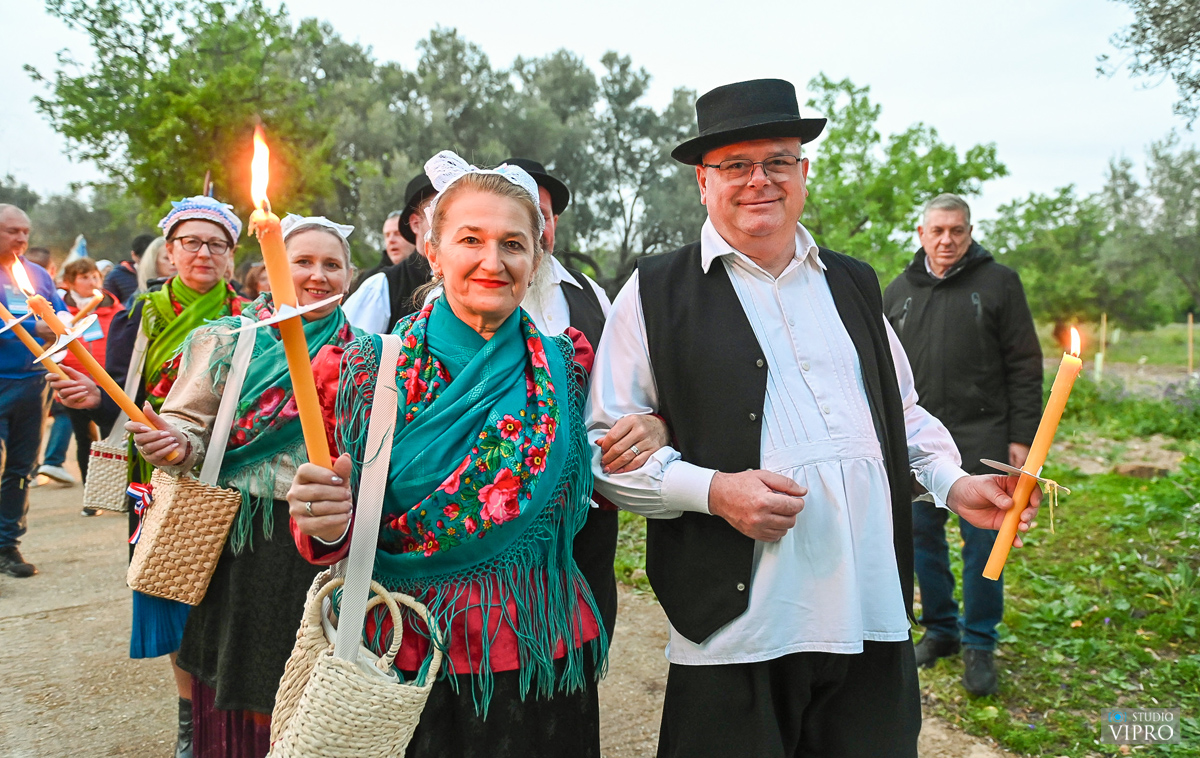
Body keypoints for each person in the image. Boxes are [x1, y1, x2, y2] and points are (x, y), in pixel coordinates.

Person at [587, 79, 1044, 758]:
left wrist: (953, 484)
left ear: (803, 172)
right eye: (735, 166)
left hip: (870, 613)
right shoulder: (654, 292)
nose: (758, 181)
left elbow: (902, 414)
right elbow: (606, 454)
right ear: (702, 182)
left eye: (777, 161)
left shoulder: (854, 281)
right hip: (737, 631)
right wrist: (715, 492)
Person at [289, 152, 633, 757]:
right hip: (404, 649)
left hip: (539, 653)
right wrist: (322, 519)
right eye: (470, 239)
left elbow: (594, 474)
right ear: (432, 246)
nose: (492, 262)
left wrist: (649, 430)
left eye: (513, 244)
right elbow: (328, 522)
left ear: (536, 256)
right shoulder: (362, 370)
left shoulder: (567, 363)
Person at [124, 214, 362, 757]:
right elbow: (187, 422)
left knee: (306, 679)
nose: (317, 275)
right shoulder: (225, 340)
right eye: (302, 261)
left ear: (349, 275)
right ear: (270, 270)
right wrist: (176, 444)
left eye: (332, 264)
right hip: (234, 535)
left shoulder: (369, 353)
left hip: (322, 540)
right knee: (227, 673)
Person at [52, 195, 246, 758]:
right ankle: (191, 722)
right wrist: (92, 399)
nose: (203, 253)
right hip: (153, 478)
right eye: (191, 242)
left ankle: (231, 721)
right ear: (170, 250)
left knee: (228, 602)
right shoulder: (141, 313)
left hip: (226, 475)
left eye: (217, 244)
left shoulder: (252, 313)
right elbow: (117, 392)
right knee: (171, 592)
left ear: (232, 256)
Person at [883, 193, 1043, 696]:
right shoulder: (897, 292)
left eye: (957, 230)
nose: (947, 239)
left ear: (970, 233)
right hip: (920, 444)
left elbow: (1024, 364)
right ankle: (942, 630)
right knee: (920, 539)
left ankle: (979, 642)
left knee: (984, 543)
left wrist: (1022, 437)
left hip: (985, 437)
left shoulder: (1000, 284)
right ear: (921, 234)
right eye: (938, 231)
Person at [0, 204, 67, 578]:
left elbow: (59, 318)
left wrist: (59, 326)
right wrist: (25, 329)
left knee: (21, 468)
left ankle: (7, 545)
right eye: (12, 231)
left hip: (33, 384)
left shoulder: (36, 274)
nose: (21, 239)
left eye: (25, 232)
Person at [56, 257, 125, 512]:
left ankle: (120, 493)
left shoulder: (116, 310)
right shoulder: (59, 312)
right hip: (74, 382)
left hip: (109, 382)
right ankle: (91, 498)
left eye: (95, 276)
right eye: (84, 277)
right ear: (71, 282)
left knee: (116, 440)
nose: (91, 281)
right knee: (84, 439)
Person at [343, 172, 436, 331]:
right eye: (439, 214)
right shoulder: (381, 287)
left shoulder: (478, 279)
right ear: (415, 223)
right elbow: (348, 352)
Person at [105, 233, 156, 303]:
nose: (147, 263)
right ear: (134, 255)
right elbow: (110, 305)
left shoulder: (163, 272)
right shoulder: (115, 276)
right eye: (143, 259)